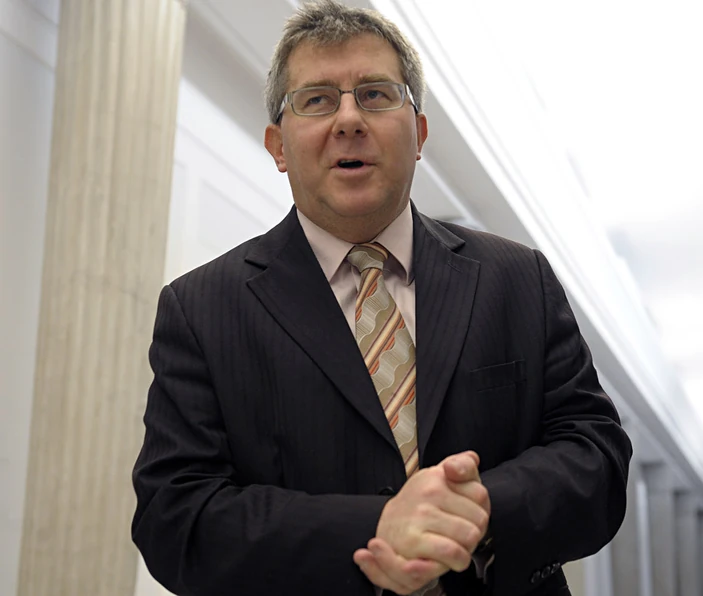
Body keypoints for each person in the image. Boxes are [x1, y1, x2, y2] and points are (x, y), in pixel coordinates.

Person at [131, 1, 632, 595]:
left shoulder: (519, 278)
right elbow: (176, 518)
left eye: (375, 94)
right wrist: (378, 529)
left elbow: (596, 456)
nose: (348, 119)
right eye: (317, 99)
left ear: (419, 133)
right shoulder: (200, 309)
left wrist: (477, 512)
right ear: (278, 146)